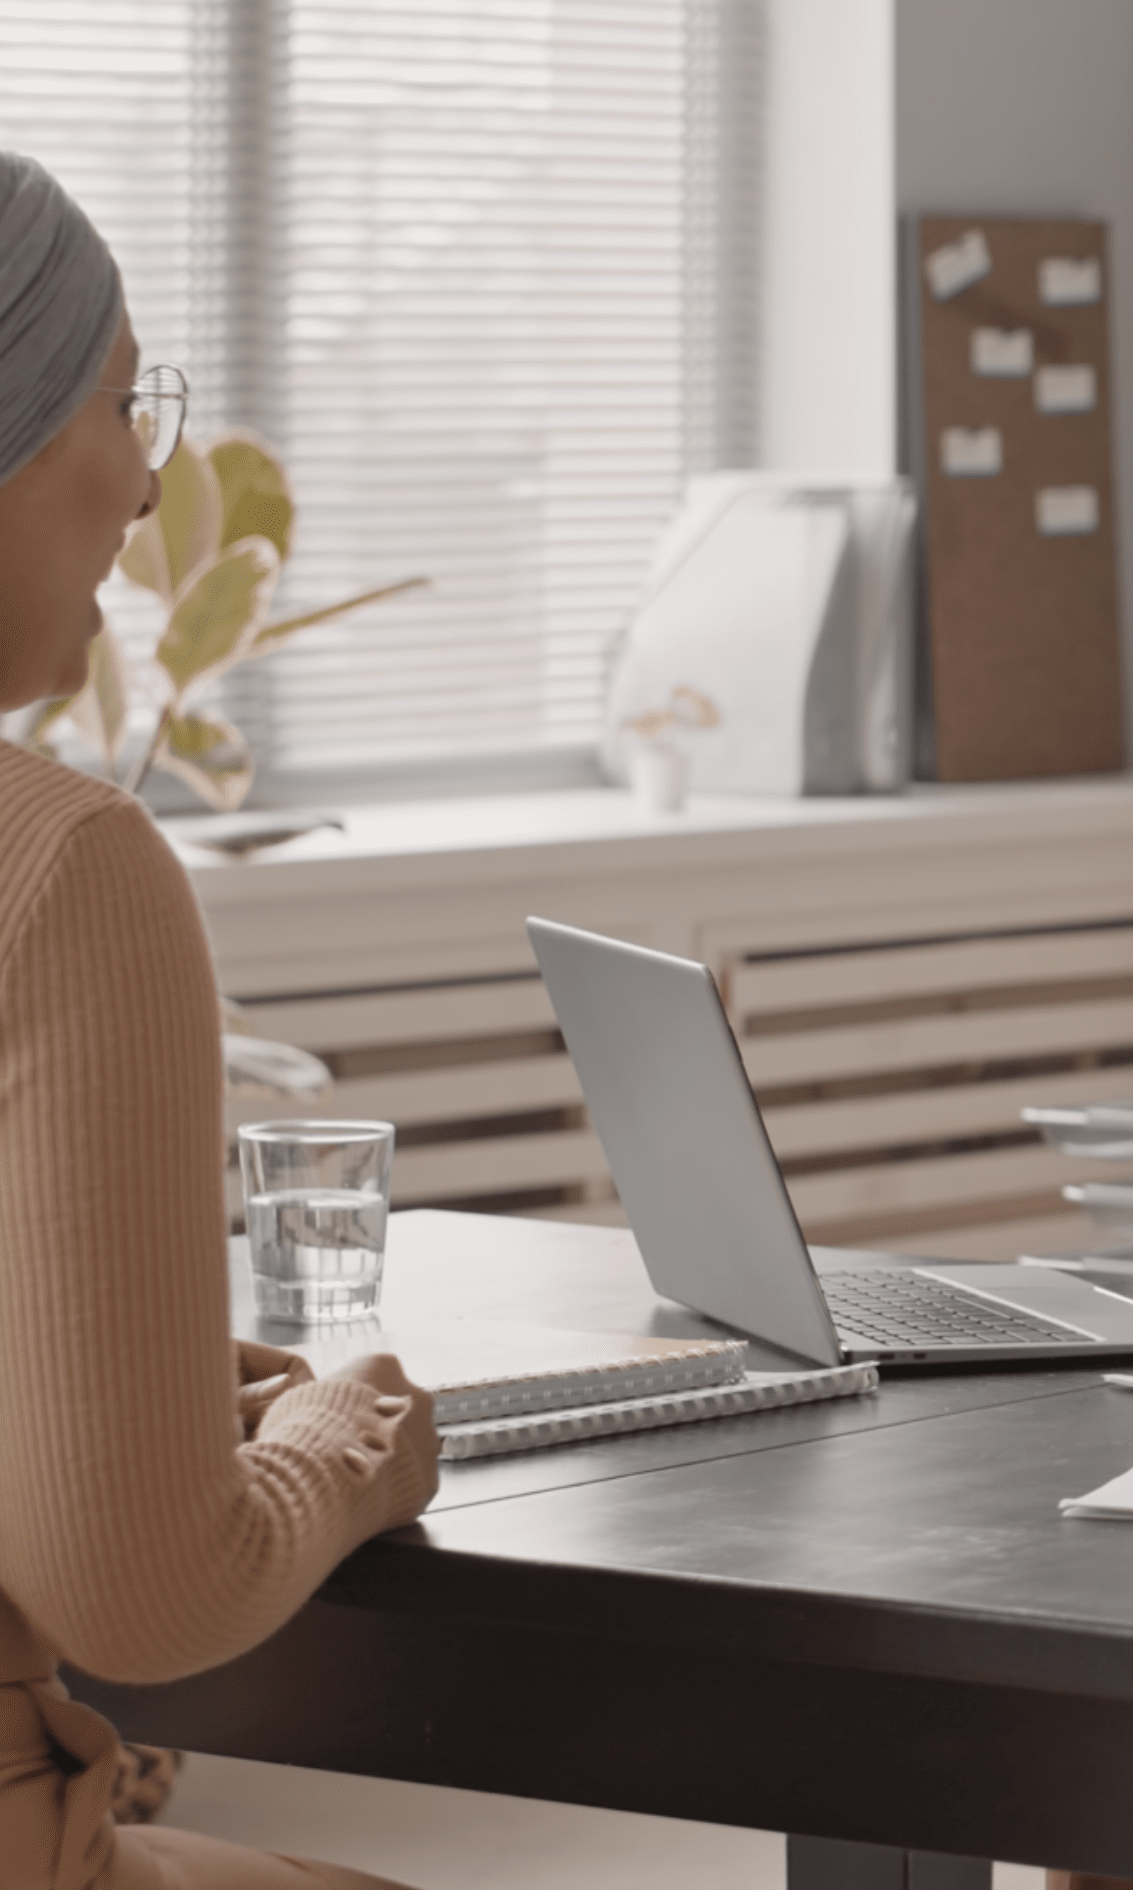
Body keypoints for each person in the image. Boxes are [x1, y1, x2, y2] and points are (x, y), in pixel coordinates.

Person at [0, 152, 439, 1890]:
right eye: (121, 401)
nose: (141, 482)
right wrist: (344, 1444)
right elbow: (142, 1590)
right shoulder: (61, 870)